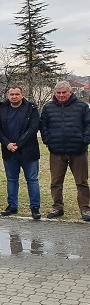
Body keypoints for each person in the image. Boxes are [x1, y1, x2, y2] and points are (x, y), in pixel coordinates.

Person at [39, 80, 90, 220]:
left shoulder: (82, 106)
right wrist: (47, 140)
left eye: (64, 92)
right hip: (57, 151)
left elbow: (88, 125)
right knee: (56, 182)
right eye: (58, 93)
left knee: (82, 182)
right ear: (55, 93)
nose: (61, 95)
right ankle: (57, 207)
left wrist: (84, 140)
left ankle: (85, 209)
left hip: (78, 151)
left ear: (70, 92)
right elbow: (43, 126)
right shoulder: (48, 108)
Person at [0, 86, 42, 220]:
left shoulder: (31, 108)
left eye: (17, 94)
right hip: (9, 151)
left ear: (22, 95)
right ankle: (12, 206)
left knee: (32, 179)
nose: (14, 96)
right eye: (11, 94)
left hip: (28, 150)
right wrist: (7, 143)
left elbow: (34, 127)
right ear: (8, 95)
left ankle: (35, 208)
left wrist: (19, 144)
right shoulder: (2, 109)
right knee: (11, 180)